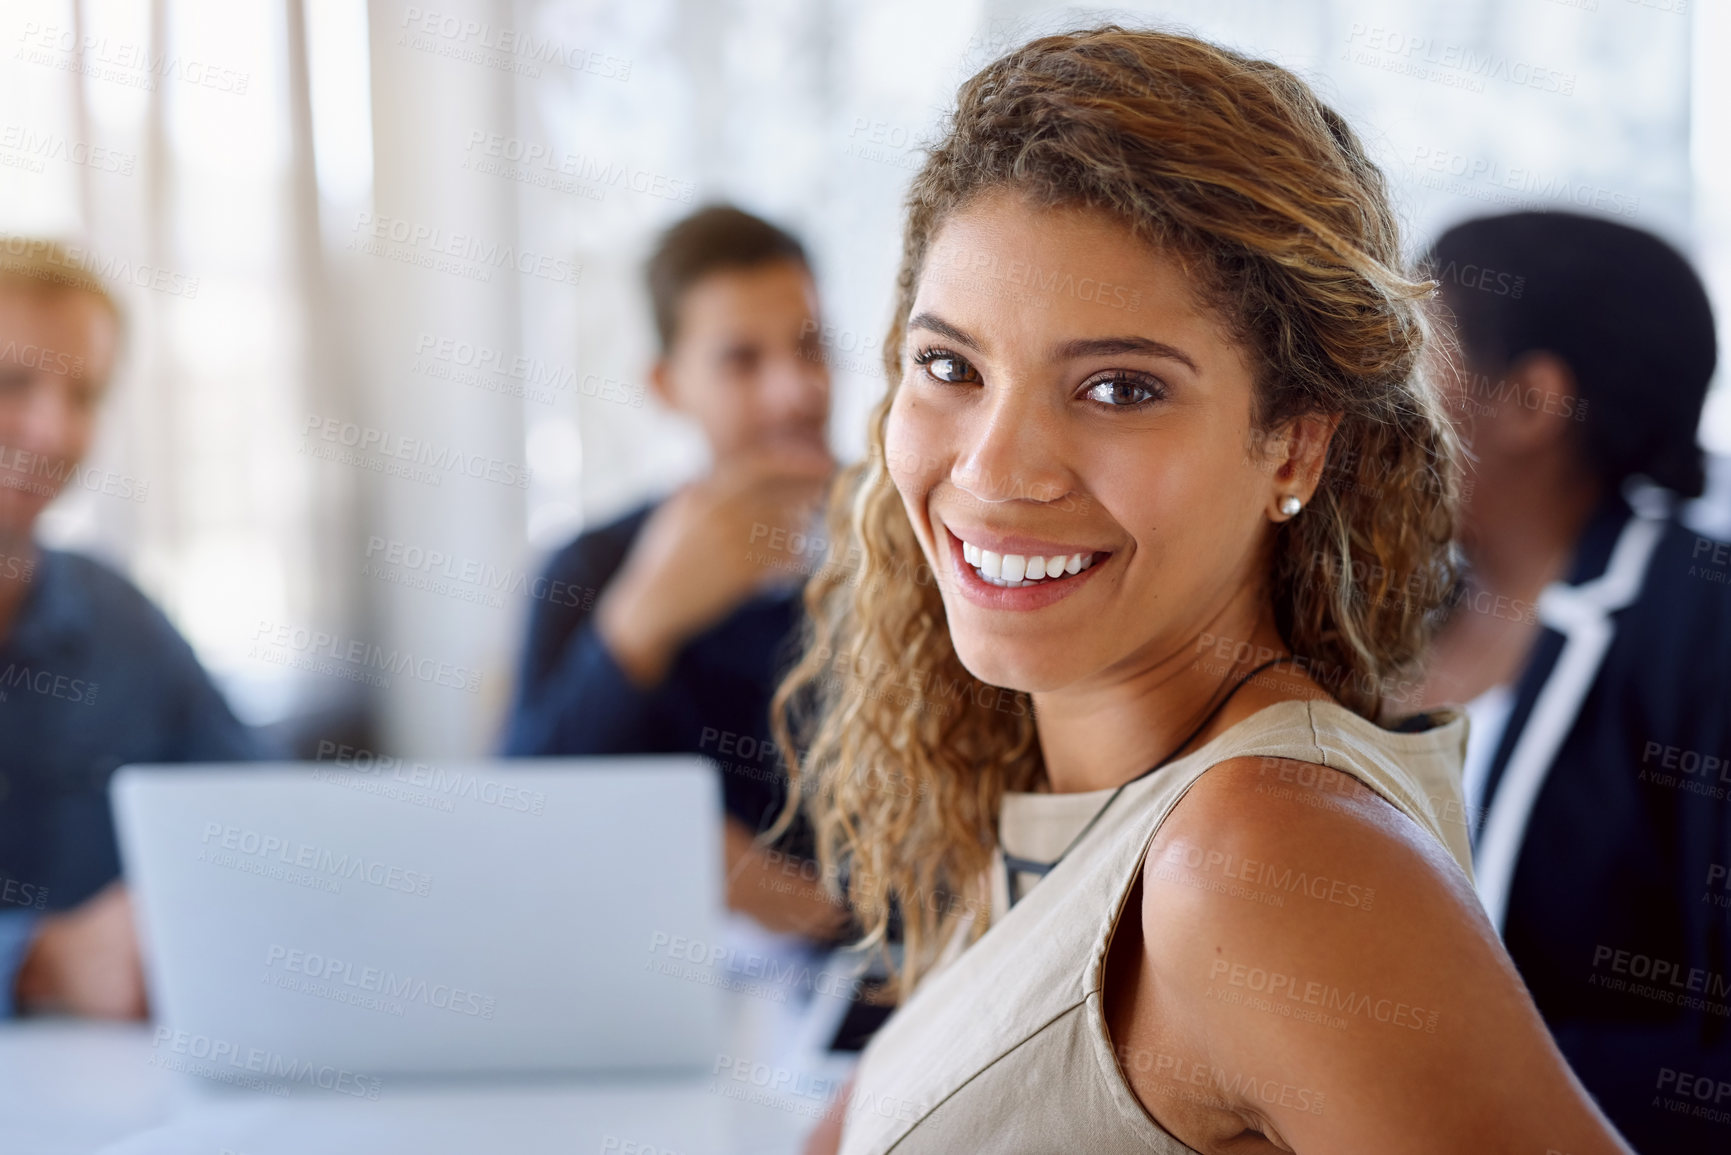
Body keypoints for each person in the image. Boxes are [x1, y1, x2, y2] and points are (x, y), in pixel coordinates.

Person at [780, 28, 1632, 1154]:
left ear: (1291, 448)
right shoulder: (1094, 805)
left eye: (1120, 388)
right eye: (951, 367)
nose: (993, 469)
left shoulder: (1258, 862)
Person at [1416, 211, 1728, 1152]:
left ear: (1529, 403)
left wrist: (1411, 1080)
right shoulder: (1380, 616)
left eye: (1408, 353)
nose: (1363, 394)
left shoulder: (1700, 631)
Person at [505, 206, 849, 941]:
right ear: (666, 385)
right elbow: (512, 825)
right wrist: (639, 621)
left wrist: (804, 908)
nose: (795, 391)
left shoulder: (921, 550)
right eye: (741, 361)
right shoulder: (590, 569)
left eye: (810, 346)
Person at [0, 239, 265, 1019]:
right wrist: (36, 958)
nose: (52, 432)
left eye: (84, 394)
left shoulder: (119, 617)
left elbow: (261, 815)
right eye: (12, 382)